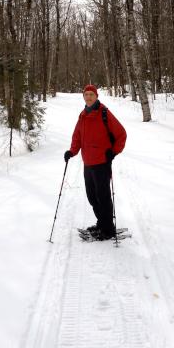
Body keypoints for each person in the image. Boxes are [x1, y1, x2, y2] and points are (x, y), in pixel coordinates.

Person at [64, 85, 127, 240]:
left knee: (103, 197)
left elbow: (121, 134)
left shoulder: (104, 113)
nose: (89, 97)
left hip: (102, 162)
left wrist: (113, 152)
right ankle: (102, 223)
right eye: (86, 94)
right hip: (88, 163)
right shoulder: (83, 115)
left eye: (91, 94)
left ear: (96, 96)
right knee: (92, 196)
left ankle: (107, 229)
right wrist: (72, 151)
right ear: (83, 96)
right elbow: (77, 137)